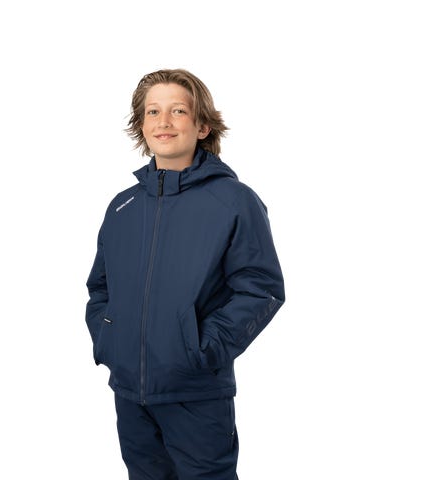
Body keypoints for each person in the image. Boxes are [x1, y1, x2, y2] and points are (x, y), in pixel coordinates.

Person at [85, 68, 285, 480]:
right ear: (141, 126)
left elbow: (260, 290)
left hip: (196, 394)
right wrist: (110, 341)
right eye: (152, 111)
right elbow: (100, 287)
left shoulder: (234, 202)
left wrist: (201, 351)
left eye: (178, 110)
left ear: (202, 125)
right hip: (130, 395)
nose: (164, 121)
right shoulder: (122, 207)